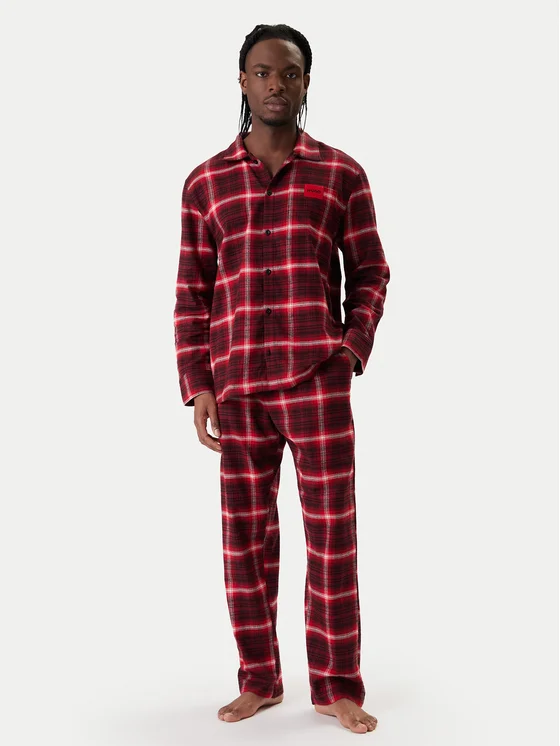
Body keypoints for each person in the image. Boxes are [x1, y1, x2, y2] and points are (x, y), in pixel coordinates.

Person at [173, 23, 390, 735]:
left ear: (305, 82)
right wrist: (198, 384)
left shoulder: (341, 174)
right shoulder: (205, 182)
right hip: (238, 386)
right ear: (243, 81)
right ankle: (259, 680)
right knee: (245, 541)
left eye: (289, 72)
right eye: (263, 72)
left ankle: (337, 685)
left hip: (317, 379)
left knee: (332, 537)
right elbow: (192, 291)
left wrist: (350, 349)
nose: (276, 84)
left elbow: (371, 272)